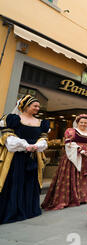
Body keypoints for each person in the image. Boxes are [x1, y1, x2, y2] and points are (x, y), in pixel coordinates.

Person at [0, 95, 49, 224]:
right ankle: (14, 210)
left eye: (38, 106)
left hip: (33, 157)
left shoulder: (41, 122)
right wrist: (25, 145)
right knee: (16, 181)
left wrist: (37, 146)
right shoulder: (13, 119)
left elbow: (44, 140)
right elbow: (8, 138)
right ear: (26, 106)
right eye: (35, 106)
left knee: (30, 182)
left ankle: (28, 210)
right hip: (17, 157)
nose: (38, 108)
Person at [41, 114, 87, 210]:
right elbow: (69, 144)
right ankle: (72, 198)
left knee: (83, 177)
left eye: (85, 123)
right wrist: (81, 151)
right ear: (77, 122)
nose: (83, 124)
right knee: (72, 176)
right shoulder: (71, 131)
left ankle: (83, 197)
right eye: (81, 122)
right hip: (73, 157)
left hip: (86, 158)